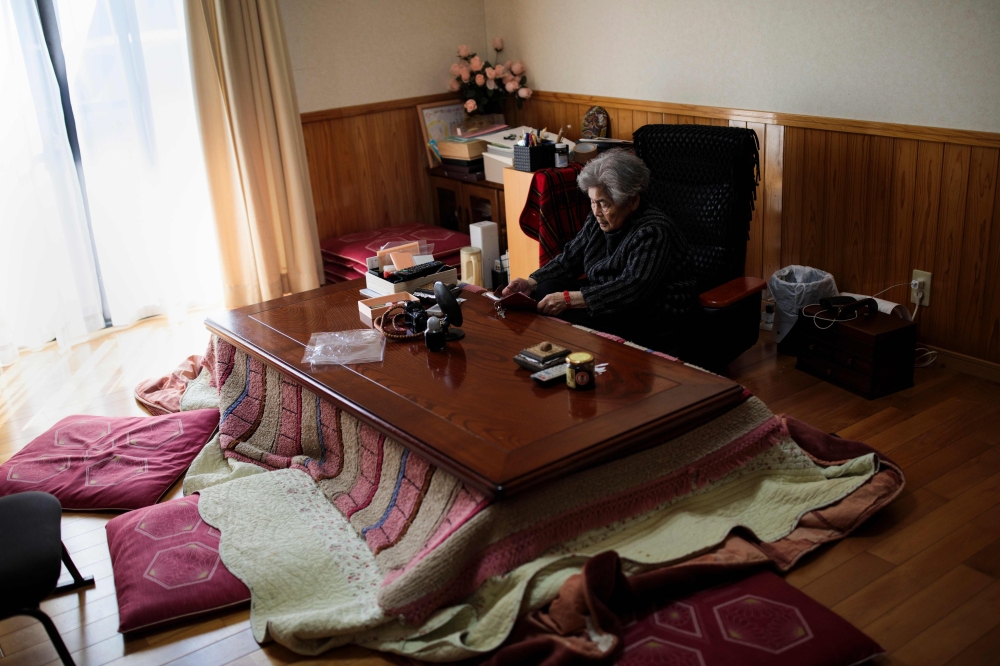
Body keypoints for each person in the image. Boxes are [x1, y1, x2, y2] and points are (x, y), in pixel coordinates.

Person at [502, 149, 694, 352]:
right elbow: (569, 259)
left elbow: (632, 288)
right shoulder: (598, 219)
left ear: (632, 201)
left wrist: (569, 300)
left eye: (604, 204)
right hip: (607, 296)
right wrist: (530, 282)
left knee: (561, 310)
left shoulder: (654, 231)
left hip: (648, 312)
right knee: (545, 288)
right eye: (593, 201)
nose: (596, 211)